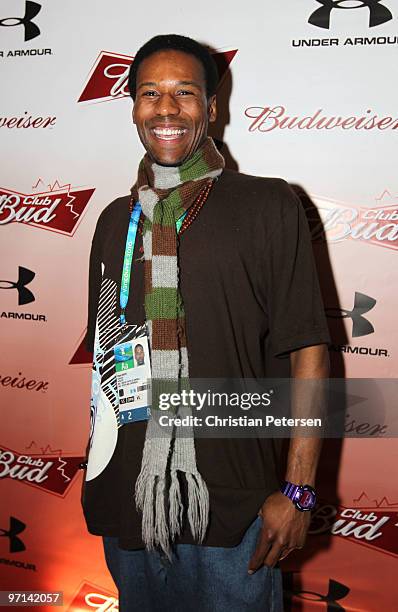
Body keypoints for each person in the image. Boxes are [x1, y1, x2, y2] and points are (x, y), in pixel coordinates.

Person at [82, 34, 330, 612]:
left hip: (234, 507)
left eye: (184, 93)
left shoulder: (269, 205)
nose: (165, 109)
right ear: (134, 107)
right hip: (128, 504)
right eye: (149, 94)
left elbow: (310, 351)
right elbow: (106, 362)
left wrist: (297, 490)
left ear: (211, 108)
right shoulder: (114, 219)